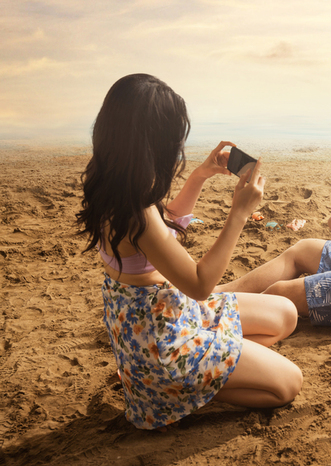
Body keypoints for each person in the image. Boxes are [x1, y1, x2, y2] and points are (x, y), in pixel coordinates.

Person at [76, 74, 302, 431]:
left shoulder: (113, 185)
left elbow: (163, 229)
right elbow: (199, 283)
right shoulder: (137, 211)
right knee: (288, 384)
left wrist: (199, 176)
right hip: (164, 341)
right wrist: (239, 213)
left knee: (285, 314)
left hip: (163, 315)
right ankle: (174, 393)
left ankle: (198, 373)